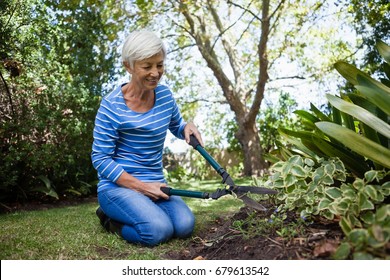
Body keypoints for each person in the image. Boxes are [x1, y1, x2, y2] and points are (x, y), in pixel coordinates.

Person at [91, 30, 204, 246]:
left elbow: (176, 126)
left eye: (159, 65)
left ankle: (144, 210)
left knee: (184, 226)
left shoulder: (165, 97)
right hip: (118, 187)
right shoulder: (111, 106)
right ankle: (109, 219)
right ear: (129, 66)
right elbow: (100, 159)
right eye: (147, 66)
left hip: (156, 184)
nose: (155, 72)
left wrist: (187, 126)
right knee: (157, 231)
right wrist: (141, 187)